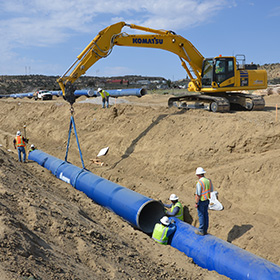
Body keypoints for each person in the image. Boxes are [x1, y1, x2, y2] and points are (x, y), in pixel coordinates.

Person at [194, 167, 213, 236]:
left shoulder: (199, 183)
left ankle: (201, 231)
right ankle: (205, 230)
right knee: (206, 215)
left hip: (201, 201)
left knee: (201, 215)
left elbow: (198, 194)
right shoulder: (208, 181)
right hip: (207, 200)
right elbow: (211, 190)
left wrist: (196, 203)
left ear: (198, 175)